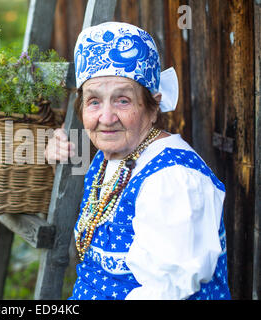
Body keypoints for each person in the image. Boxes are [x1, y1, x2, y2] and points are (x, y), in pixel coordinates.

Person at [45, 22, 231, 300]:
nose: (106, 118)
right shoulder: (110, 156)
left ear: (153, 106)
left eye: (122, 100)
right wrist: (55, 156)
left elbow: (165, 292)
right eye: (94, 102)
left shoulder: (173, 180)